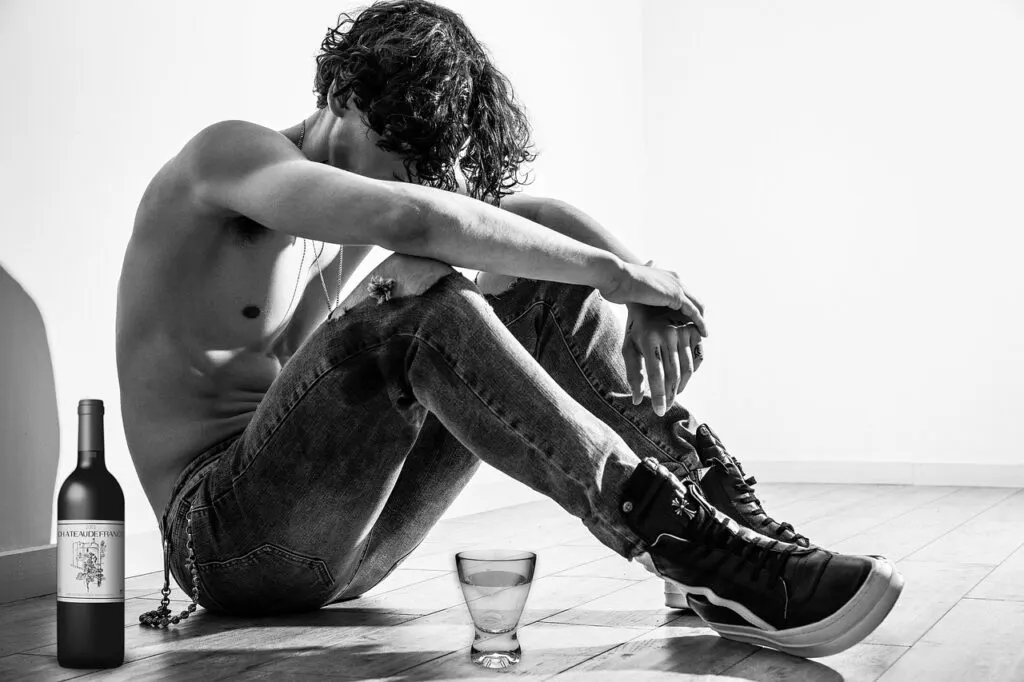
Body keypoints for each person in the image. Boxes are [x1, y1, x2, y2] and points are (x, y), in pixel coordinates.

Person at [118, 0, 902, 658]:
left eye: (430, 164)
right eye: (404, 155)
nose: (413, 178)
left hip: (342, 535)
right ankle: (679, 539)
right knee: (425, 318)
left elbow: (514, 222)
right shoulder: (229, 155)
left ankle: (707, 507)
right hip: (220, 541)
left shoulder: (357, 208)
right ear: (347, 90)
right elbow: (412, 216)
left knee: (518, 274)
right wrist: (619, 277)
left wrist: (641, 285)